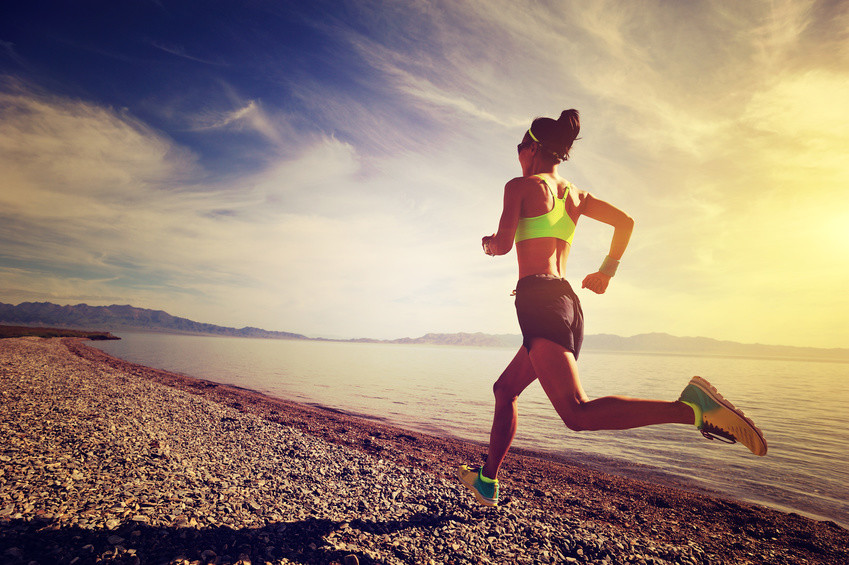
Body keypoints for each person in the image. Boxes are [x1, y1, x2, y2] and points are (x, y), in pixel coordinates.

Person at [457, 110, 767, 508]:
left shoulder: (519, 185)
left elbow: (501, 246)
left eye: (519, 149)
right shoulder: (576, 196)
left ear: (531, 148)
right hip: (566, 301)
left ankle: (690, 407)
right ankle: (487, 481)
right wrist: (606, 272)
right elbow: (625, 222)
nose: (517, 157)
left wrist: (486, 242)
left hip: (539, 301)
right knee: (505, 390)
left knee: (577, 414)